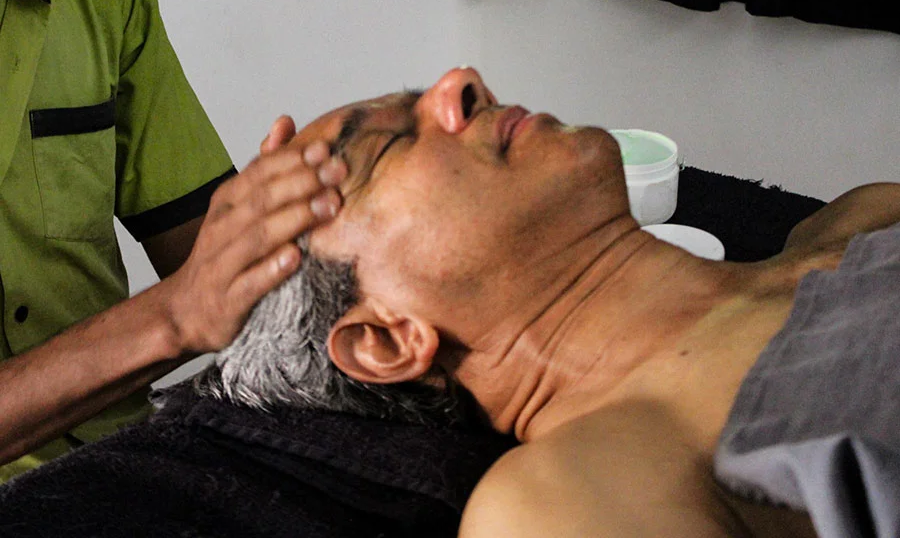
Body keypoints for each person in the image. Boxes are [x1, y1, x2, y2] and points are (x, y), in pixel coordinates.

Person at [187, 66, 897, 537]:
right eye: (388, 143)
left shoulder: (860, 217)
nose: (463, 81)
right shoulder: (565, 495)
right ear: (387, 340)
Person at [0, 0, 346, 479]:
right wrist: (174, 317)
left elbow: (217, 262)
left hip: (117, 459)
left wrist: (277, 232)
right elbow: (198, 296)